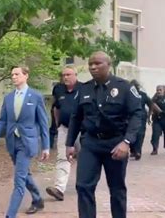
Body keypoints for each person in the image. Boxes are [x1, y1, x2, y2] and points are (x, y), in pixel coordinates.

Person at [65, 51, 142, 218]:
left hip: (116, 144)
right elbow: (76, 117)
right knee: (83, 186)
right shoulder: (84, 88)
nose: (93, 67)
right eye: (91, 64)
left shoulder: (124, 87)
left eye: (97, 63)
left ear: (109, 64)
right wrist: (70, 143)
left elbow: (137, 115)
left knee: (116, 188)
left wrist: (127, 142)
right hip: (90, 144)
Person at [0, 66, 50, 218]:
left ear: (26, 76)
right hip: (12, 142)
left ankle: (10, 214)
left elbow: (43, 123)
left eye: (17, 74)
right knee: (24, 174)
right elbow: (2, 121)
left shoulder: (35, 96)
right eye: (12, 75)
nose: (14, 77)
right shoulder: (8, 98)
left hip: (27, 143)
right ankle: (38, 199)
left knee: (19, 180)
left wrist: (46, 147)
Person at [46, 66, 81, 201]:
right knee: (62, 157)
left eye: (68, 74)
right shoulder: (58, 89)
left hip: (81, 130)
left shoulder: (84, 89)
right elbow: (56, 107)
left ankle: (84, 185)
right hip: (64, 128)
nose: (65, 77)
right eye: (63, 75)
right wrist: (58, 124)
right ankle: (59, 189)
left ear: (75, 75)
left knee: (84, 159)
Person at [129, 80, 152, 160]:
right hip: (130, 117)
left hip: (141, 116)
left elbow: (151, 104)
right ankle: (133, 150)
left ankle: (138, 151)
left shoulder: (143, 95)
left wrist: (149, 116)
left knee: (140, 134)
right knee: (131, 133)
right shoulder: (127, 94)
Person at [50, 77, 65, 149]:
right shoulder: (57, 87)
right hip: (56, 108)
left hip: (67, 110)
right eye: (63, 75)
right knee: (54, 127)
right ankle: (50, 145)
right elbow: (54, 98)